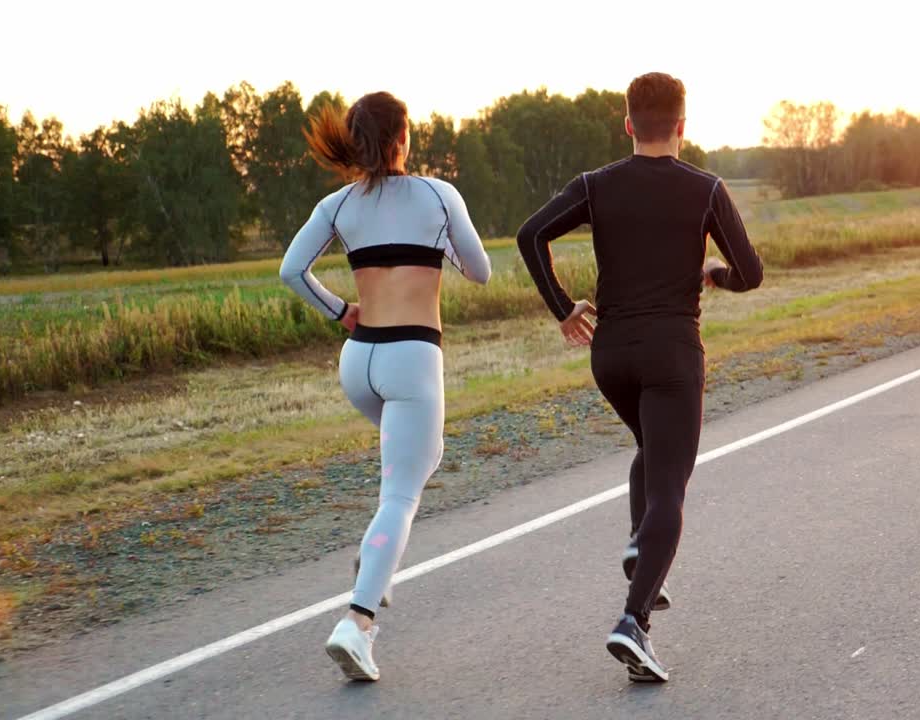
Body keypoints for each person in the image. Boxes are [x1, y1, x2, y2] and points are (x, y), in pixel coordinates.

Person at [516, 72, 763, 682]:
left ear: (628, 124)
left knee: (653, 452)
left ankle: (637, 546)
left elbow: (530, 234)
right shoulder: (705, 189)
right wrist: (715, 275)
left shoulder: (596, 186)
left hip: (612, 355)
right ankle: (634, 622)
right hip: (672, 353)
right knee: (670, 487)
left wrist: (563, 306)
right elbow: (751, 271)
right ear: (683, 125)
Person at [280, 91, 491, 682]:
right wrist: (441, 244)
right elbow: (480, 272)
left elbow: (290, 270)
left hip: (359, 361)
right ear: (403, 138)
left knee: (418, 463)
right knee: (400, 494)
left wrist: (339, 309)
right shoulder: (437, 194)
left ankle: (375, 558)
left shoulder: (339, 203)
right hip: (411, 357)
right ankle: (358, 621)